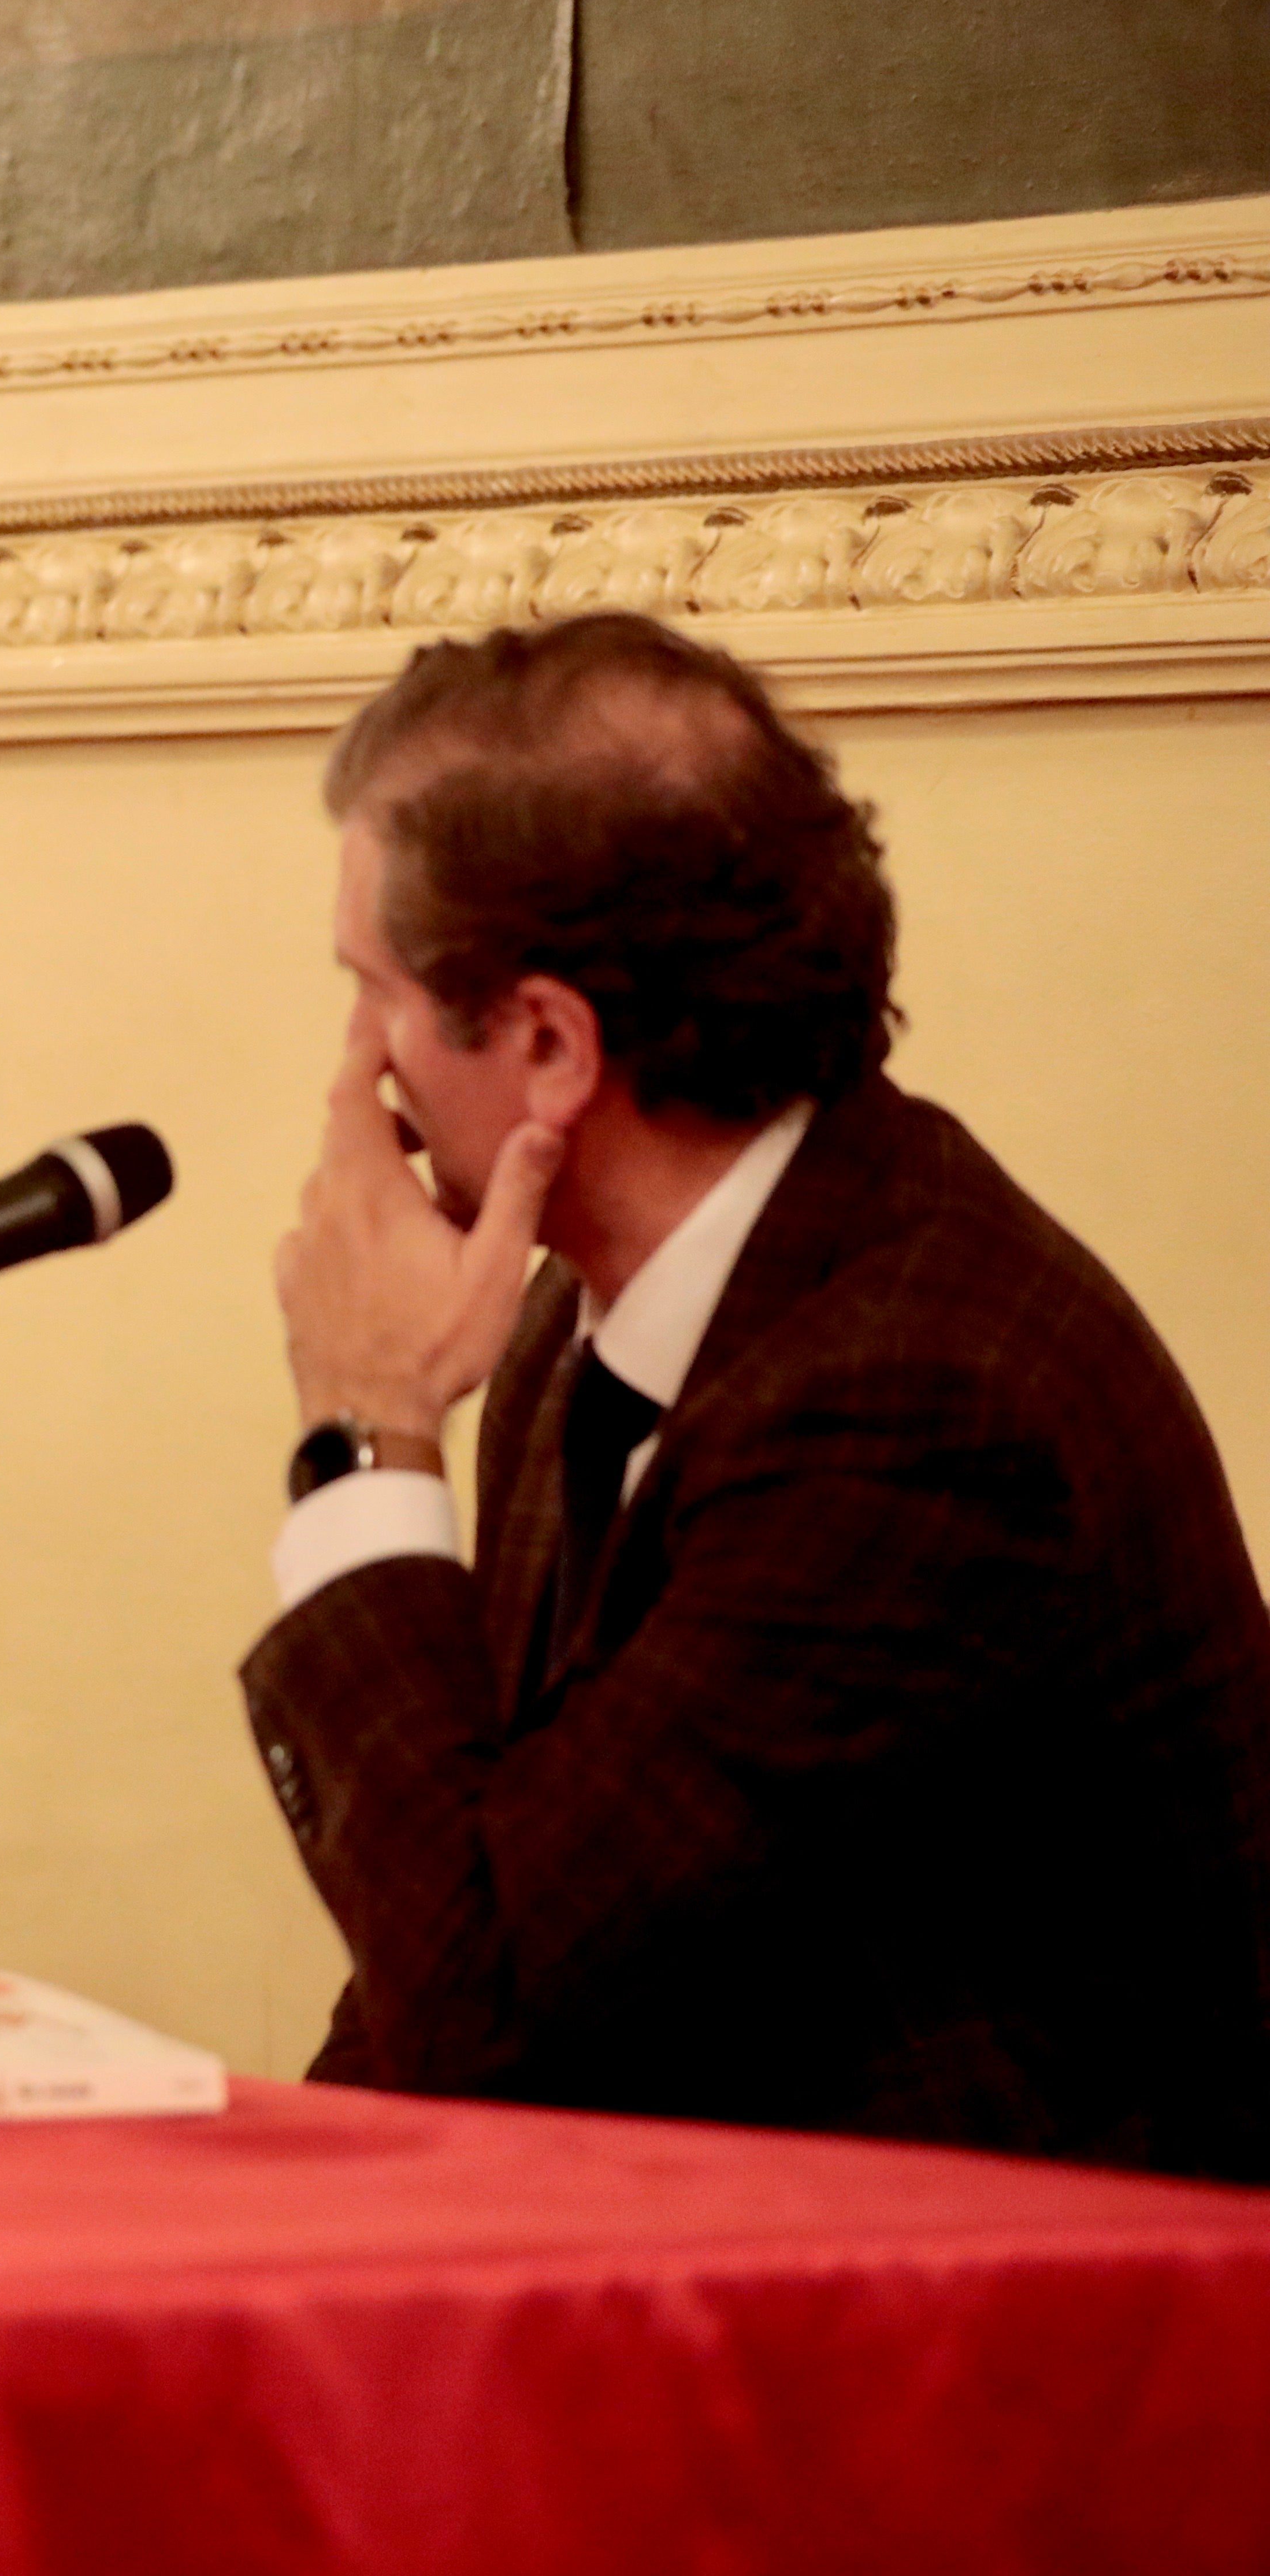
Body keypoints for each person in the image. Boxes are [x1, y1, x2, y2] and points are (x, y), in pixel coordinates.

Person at [248, 612, 1270, 2178]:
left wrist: (363, 1429)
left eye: (372, 991)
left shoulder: (916, 1396)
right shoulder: (600, 1317)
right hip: (729, 2252)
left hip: (1033, 2335)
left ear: (544, 1045)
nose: (356, 1071)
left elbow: (499, 2007)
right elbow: (473, 1911)